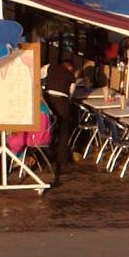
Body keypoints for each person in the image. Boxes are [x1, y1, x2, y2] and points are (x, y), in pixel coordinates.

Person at [44, 48, 79, 176]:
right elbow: (70, 94)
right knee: (63, 130)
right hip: (62, 101)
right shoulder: (71, 77)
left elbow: (39, 75)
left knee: (48, 126)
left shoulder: (50, 67)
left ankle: (45, 153)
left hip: (48, 98)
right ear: (70, 68)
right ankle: (61, 159)